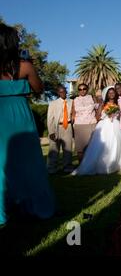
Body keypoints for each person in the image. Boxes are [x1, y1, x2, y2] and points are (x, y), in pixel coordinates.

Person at [0, 23, 55, 225]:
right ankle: (38, 208)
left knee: (1, 163)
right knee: (29, 163)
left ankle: (3, 211)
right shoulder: (24, 66)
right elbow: (39, 88)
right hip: (19, 115)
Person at [72, 86, 121, 175]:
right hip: (105, 125)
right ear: (107, 94)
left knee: (117, 144)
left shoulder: (118, 102)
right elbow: (98, 116)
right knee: (104, 146)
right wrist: (107, 114)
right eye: (109, 93)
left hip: (116, 125)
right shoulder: (103, 104)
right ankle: (104, 166)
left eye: (113, 93)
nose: (111, 94)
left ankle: (118, 164)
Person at [47, 84, 74, 173]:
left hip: (68, 127)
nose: (63, 93)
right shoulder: (53, 104)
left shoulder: (71, 102)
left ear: (66, 91)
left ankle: (67, 167)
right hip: (57, 127)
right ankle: (52, 168)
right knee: (54, 148)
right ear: (58, 93)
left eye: (64, 91)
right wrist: (51, 132)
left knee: (68, 148)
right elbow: (50, 118)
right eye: (60, 92)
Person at [72, 83, 97, 164]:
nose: (82, 90)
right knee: (80, 148)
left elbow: (97, 108)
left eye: (84, 89)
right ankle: (81, 166)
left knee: (92, 147)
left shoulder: (92, 97)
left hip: (91, 124)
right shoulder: (75, 100)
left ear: (87, 89)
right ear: (78, 90)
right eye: (80, 89)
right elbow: (73, 113)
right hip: (79, 125)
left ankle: (91, 165)